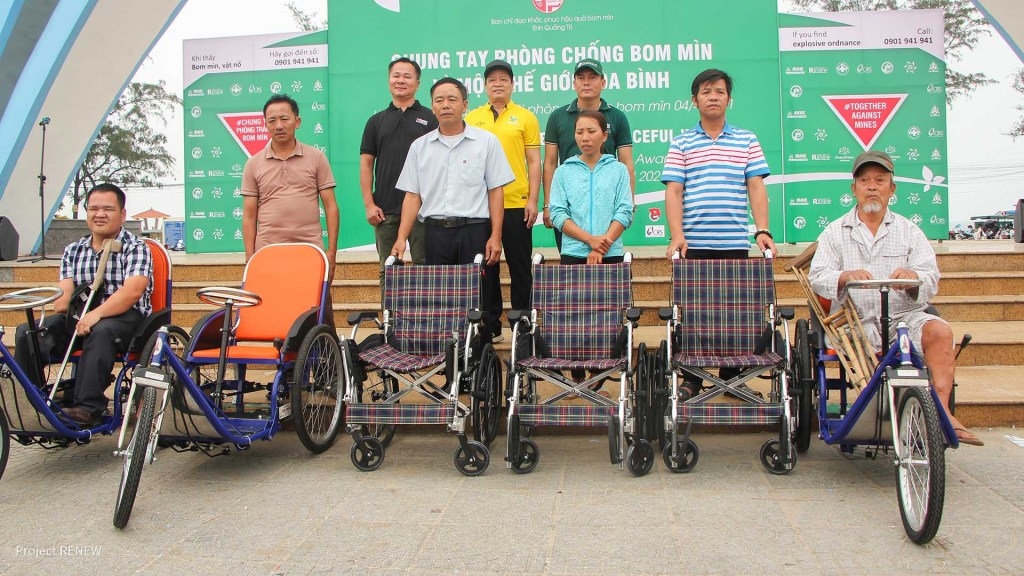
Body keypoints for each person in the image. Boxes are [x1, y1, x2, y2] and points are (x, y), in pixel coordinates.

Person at [808, 150, 984, 446]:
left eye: (880, 180)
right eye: (865, 181)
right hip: (856, 324)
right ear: (854, 189)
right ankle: (876, 410)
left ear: (892, 188)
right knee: (857, 347)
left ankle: (940, 413)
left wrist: (913, 281)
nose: (872, 186)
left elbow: (931, 278)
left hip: (905, 320)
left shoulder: (910, 231)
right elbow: (818, 276)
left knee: (939, 329)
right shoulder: (834, 232)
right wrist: (843, 276)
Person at [661, 68, 774, 400]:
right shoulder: (682, 141)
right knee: (693, 313)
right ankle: (692, 379)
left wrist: (762, 230)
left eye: (720, 91)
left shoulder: (746, 139)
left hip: (734, 242)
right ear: (694, 100)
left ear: (729, 99)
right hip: (693, 244)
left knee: (734, 313)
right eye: (706, 91)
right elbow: (674, 192)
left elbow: (756, 187)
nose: (713, 96)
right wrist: (676, 234)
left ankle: (732, 378)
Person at [14, 183, 152, 426]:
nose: (100, 214)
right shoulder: (74, 250)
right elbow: (64, 296)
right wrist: (62, 303)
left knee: (101, 331)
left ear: (122, 214)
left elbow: (133, 291)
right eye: (94, 209)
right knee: (28, 332)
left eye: (108, 209)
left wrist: (95, 315)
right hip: (81, 314)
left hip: (125, 317)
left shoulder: (135, 247)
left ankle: (89, 408)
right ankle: (36, 401)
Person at [391, 77, 514, 341]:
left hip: (475, 231)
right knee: (443, 302)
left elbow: (496, 191)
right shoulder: (420, 147)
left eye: (452, 99)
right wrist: (401, 237)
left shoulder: (486, 142)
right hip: (435, 233)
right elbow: (412, 196)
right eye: (439, 100)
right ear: (433, 107)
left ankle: (482, 365)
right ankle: (452, 372)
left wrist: (495, 235)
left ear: (465, 105)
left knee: (479, 298)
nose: (445, 105)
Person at [241, 93, 338, 325]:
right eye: (271, 120)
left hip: (310, 250)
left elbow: (331, 207)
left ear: (297, 121)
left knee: (319, 314)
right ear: (265, 124)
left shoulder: (316, 158)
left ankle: (326, 360)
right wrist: (249, 257)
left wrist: (331, 253)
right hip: (268, 251)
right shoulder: (253, 164)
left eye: (284, 119)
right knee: (274, 314)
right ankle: (282, 360)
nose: (278, 125)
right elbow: (249, 215)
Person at [465, 59, 541, 317]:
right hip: (481, 205)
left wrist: (532, 199)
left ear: (512, 84)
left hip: (516, 204)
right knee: (486, 268)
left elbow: (533, 161)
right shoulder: (472, 118)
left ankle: (522, 324)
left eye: (503, 80)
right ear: (484, 85)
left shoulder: (526, 117)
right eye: (492, 80)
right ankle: (490, 324)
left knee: (520, 267)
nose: (498, 84)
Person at [542, 59, 635, 248]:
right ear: (574, 83)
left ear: (603, 82)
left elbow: (626, 162)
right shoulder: (557, 117)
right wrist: (548, 205)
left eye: (592, 77)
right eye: (581, 78)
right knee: (572, 268)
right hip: (568, 209)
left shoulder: (617, 117)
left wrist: (629, 203)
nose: (586, 82)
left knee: (608, 262)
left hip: (606, 207)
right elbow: (550, 163)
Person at [360, 57, 437, 279]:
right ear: (388, 80)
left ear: (418, 83)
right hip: (385, 210)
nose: (400, 80)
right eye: (396, 75)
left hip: (424, 210)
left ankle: (424, 315)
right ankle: (389, 315)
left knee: (426, 269)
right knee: (389, 270)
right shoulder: (376, 121)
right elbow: (366, 164)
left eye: (407, 76)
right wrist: (369, 204)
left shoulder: (431, 119)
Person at [548, 110, 633, 265]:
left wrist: (601, 246)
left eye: (591, 131)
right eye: (579, 132)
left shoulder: (619, 170)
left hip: (610, 252)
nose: (585, 138)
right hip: (573, 253)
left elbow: (624, 211)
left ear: (604, 135)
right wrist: (590, 240)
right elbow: (558, 214)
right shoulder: (563, 172)